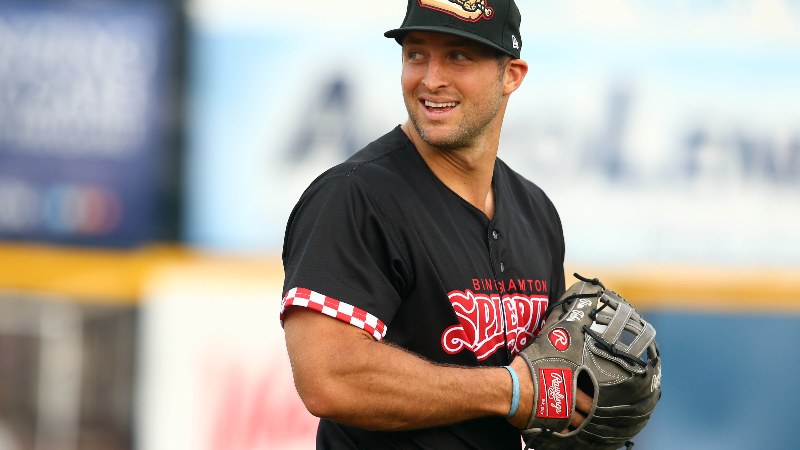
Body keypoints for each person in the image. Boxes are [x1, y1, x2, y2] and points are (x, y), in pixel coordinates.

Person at [281, 0, 591, 448]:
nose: (430, 79)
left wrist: (577, 398)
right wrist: (511, 391)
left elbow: (543, 382)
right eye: (416, 53)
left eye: (458, 55)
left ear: (512, 75)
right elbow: (329, 378)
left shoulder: (536, 211)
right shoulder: (355, 197)